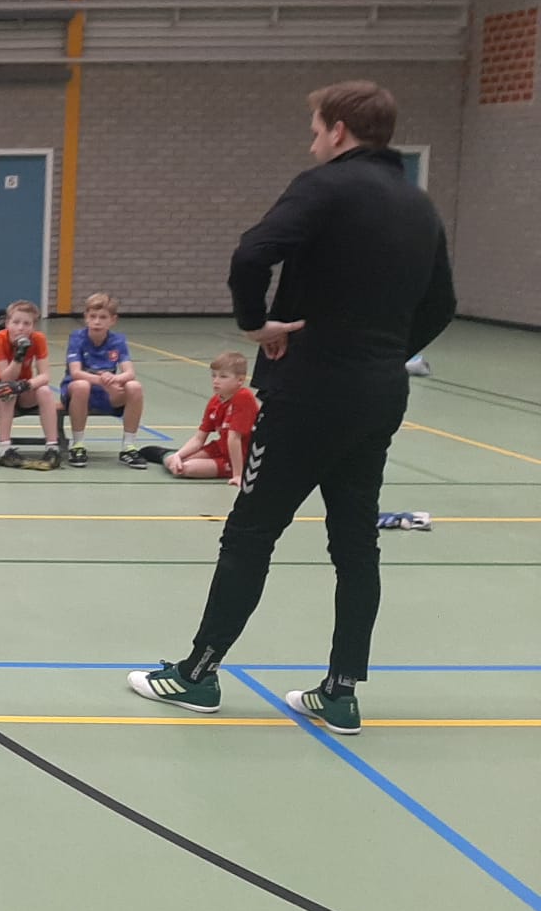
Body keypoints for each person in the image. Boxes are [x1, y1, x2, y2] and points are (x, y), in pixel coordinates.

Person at [129, 81, 457, 735]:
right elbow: (442, 303)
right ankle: (340, 692)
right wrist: (385, 352)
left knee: (251, 532)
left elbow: (252, 253)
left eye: (315, 129)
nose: (312, 141)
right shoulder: (419, 205)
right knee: (356, 545)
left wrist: (259, 325)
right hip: (378, 395)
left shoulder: (323, 186)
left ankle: (196, 675)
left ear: (338, 131)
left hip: (306, 389)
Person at [139, 352, 257, 482]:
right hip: (220, 448)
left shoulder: (243, 398)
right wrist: (178, 455)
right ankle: (170, 454)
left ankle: (164, 456)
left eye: (223, 377)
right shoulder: (215, 402)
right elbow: (199, 438)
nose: (216, 381)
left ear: (240, 380)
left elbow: (234, 439)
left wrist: (238, 475)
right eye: (214, 376)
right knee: (177, 462)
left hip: (242, 455)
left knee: (184, 468)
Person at [63, 292, 146, 468]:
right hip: (79, 392)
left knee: (135, 387)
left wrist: (115, 379)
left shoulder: (118, 341)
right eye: (93, 316)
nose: (97, 322)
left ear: (113, 320)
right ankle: (77, 445)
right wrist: (102, 380)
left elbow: (129, 373)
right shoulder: (77, 338)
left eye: (103, 317)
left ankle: (128, 447)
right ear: (86, 317)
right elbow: (76, 372)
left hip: (107, 391)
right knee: (81, 385)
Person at [0, 300, 62, 471]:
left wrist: (25, 385)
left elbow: (45, 376)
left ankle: (52, 448)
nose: (21, 327)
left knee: (45, 391)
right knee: (8, 391)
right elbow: (5, 377)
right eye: (16, 322)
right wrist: (19, 355)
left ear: (33, 326)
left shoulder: (38, 339)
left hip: (22, 387)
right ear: (7, 323)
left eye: (27, 323)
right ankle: (4, 449)